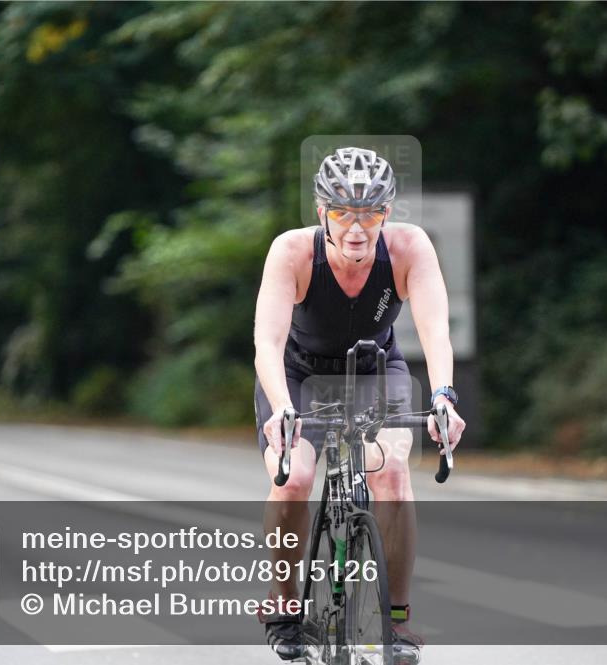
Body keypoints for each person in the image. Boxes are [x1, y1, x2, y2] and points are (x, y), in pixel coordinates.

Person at [253, 147, 466, 663]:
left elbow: (435, 329)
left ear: (386, 213)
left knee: (393, 472)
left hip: (374, 370)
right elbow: (268, 341)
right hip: (298, 376)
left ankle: (396, 621)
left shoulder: (410, 248)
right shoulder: (293, 252)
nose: (356, 227)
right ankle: (284, 611)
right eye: (342, 212)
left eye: (369, 213)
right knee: (295, 478)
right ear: (321, 211)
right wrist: (282, 409)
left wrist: (442, 396)